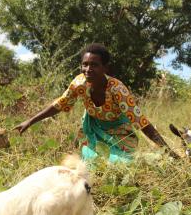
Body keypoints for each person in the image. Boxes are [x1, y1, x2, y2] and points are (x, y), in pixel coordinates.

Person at [13, 43, 178, 162]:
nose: (88, 69)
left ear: (105, 68)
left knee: (121, 164)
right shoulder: (78, 84)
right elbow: (59, 104)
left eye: (94, 65)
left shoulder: (117, 89)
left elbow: (142, 123)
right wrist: (30, 121)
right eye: (84, 64)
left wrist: (169, 151)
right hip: (92, 130)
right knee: (90, 163)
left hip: (119, 133)